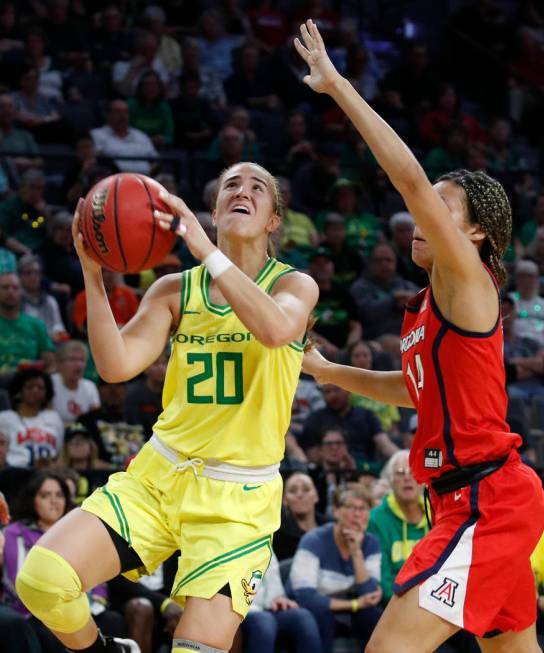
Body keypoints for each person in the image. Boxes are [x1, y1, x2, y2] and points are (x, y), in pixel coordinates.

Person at [295, 19, 544, 653]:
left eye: (439, 206)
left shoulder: (469, 277)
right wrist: (327, 373)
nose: (419, 214)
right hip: (469, 500)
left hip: (485, 500)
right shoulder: (427, 308)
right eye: (425, 204)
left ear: (474, 233)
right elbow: (414, 393)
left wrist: (339, 86)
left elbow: (407, 178)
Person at [15, 160, 318, 653]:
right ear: (215, 212)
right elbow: (115, 366)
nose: (243, 190)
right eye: (231, 186)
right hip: (160, 475)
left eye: (258, 187)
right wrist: (95, 276)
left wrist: (202, 247)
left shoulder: (294, 286)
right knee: (43, 581)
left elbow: (277, 330)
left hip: (236, 503)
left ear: (273, 220)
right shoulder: (175, 289)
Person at [2, 469, 127, 652]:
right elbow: (16, 579)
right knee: (54, 629)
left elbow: (99, 568)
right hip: (34, 608)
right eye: (46, 495)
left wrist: (97, 600)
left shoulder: (81, 528)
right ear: (33, 500)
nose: (54, 501)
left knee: (112, 620)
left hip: (82, 605)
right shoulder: (15, 533)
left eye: (59, 495)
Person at [288, 483, 382, 653]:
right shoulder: (314, 540)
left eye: (363, 509)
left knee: (373, 616)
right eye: (351, 507)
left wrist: (356, 553)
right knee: (322, 616)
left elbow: (369, 595)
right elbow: (306, 597)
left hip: (349, 607)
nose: (357, 514)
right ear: (336, 511)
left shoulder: (371, 543)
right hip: (312, 607)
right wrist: (354, 604)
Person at [368, 450, 428, 605]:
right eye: (400, 473)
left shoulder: (436, 514)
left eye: (412, 471)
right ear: (391, 481)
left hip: (434, 602)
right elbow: (383, 577)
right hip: (395, 604)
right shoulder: (376, 519)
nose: (407, 478)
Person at [241, 551, 322, 653]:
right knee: (265, 622)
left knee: (303, 617)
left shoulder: (264, 542)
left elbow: (273, 585)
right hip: (238, 609)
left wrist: (278, 597)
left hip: (266, 608)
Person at [0, 368, 63, 468]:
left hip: (47, 472)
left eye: (41, 388)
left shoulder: (54, 418)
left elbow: (59, 450)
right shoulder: (5, 418)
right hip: (14, 471)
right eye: (29, 387)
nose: (35, 390)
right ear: (19, 391)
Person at [273, 472, 327, 562]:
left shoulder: (331, 529)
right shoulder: (277, 536)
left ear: (316, 496)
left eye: (306, 489)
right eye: (292, 491)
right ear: (284, 500)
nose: (300, 495)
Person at [51, 341, 101, 425]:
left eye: (82, 360)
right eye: (72, 359)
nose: (78, 364)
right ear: (59, 363)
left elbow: (95, 418)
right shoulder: (50, 384)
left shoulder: (90, 386)